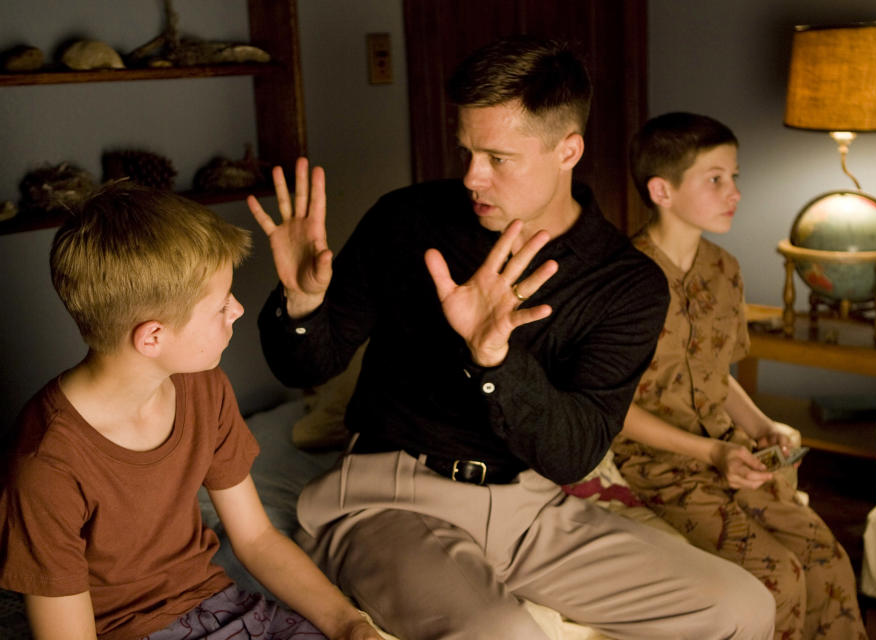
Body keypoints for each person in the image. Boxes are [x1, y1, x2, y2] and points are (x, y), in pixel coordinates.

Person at [248, 36, 775, 640]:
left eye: (498, 158)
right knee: (506, 634)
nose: (473, 176)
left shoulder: (626, 284)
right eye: (467, 151)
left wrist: (493, 358)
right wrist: (303, 302)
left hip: (530, 505)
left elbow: (573, 452)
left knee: (742, 606)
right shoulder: (408, 218)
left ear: (567, 150)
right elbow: (306, 364)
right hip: (388, 496)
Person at [0, 182, 381, 640]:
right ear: (153, 338)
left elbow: (256, 539)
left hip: (218, 605)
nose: (238, 310)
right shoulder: (46, 465)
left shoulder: (202, 386)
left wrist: (348, 624)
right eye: (221, 305)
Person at [611, 111, 868, 639]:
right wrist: (712, 455)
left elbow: (716, 374)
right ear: (662, 189)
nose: (735, 192)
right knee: (781, 578)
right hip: (658, 467)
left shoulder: (724, 269)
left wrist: (760, 426)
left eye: (735, 177)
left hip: (730, 452)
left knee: (828, 559)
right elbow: (612, 407)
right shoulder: (621, 282)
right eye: (716, 179)